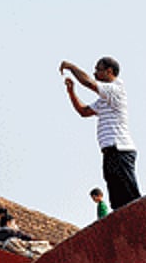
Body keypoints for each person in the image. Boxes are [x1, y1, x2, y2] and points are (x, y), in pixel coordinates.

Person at [60, 56, 141, 209]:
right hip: (110, 152)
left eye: (98, 69)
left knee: (130, 195)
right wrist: (71, 93)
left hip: (120, 149)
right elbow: (84, 111)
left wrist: (71, 66)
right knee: (117, 200)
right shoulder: (104, 99)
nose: (95, 73)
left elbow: (88, 82)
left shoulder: (115, 89)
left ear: (109, 71)